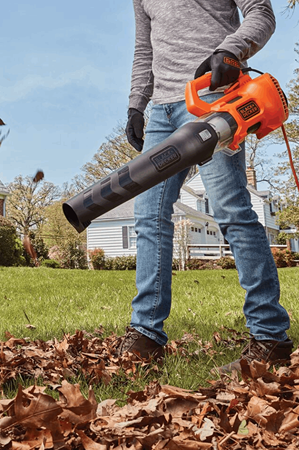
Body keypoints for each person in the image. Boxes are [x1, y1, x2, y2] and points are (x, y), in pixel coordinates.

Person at [119, 0, 293, 373]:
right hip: (162, 111)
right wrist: (137, 103)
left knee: (231, 210)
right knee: (149, 216)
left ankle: (270, 336)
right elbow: (144, 47)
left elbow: (262, 12)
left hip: (214, 97)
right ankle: (146, 334)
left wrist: (231, 50)